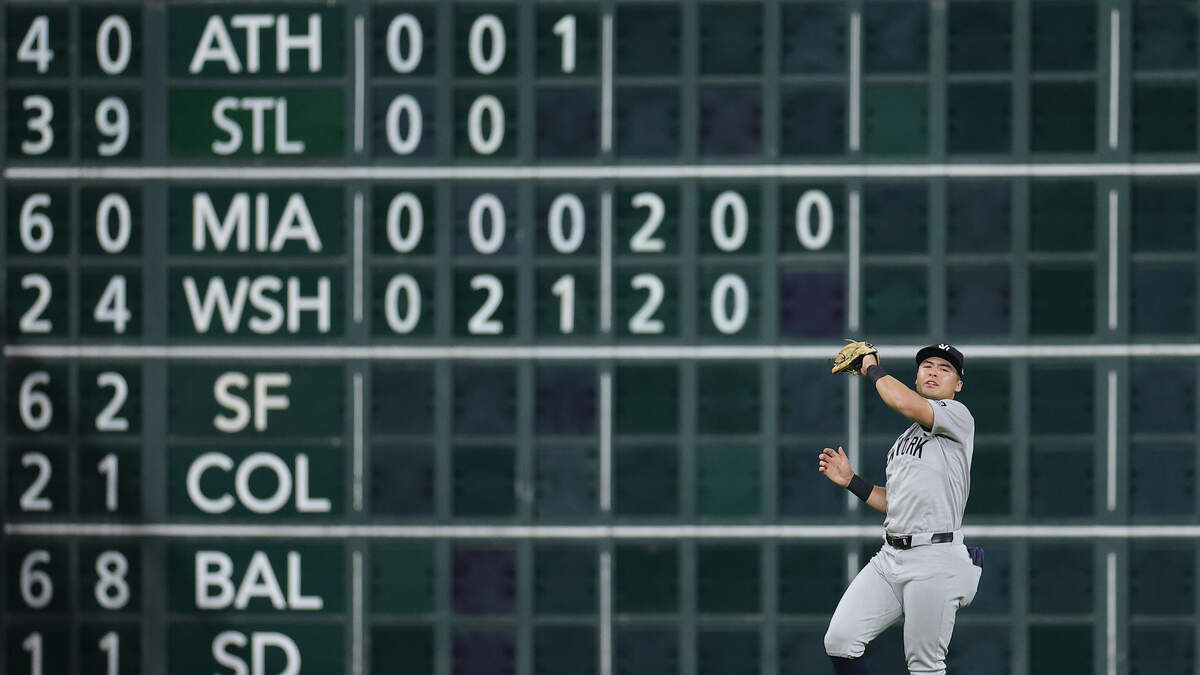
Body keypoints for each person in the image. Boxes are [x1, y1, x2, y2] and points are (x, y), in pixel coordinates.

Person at [817, 343, 983, 674]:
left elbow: (903, 401)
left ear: (958, 385)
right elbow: (896, 505)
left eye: (944, 368)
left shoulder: (957, 415)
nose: (934, 371)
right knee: (840, 640)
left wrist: (871, 368)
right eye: (927, 366)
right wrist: (852, 481)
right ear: (917, 375)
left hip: (935, 558)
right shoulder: (902, 443)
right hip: (891, 556)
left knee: (925, 667)